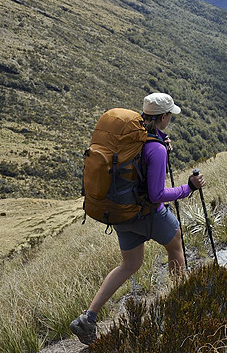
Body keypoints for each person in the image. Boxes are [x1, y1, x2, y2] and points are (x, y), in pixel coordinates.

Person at [70, 92, 206, 345]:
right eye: (169, 116)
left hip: (121, 213)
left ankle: (88, 317)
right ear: (164, 117)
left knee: (130, 265)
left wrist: (162, 145)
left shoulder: (134, 139)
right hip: (145, 213)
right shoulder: (155, 148)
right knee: (175, 244)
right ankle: (180, 300)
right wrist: (189, 188)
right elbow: (157, 195)